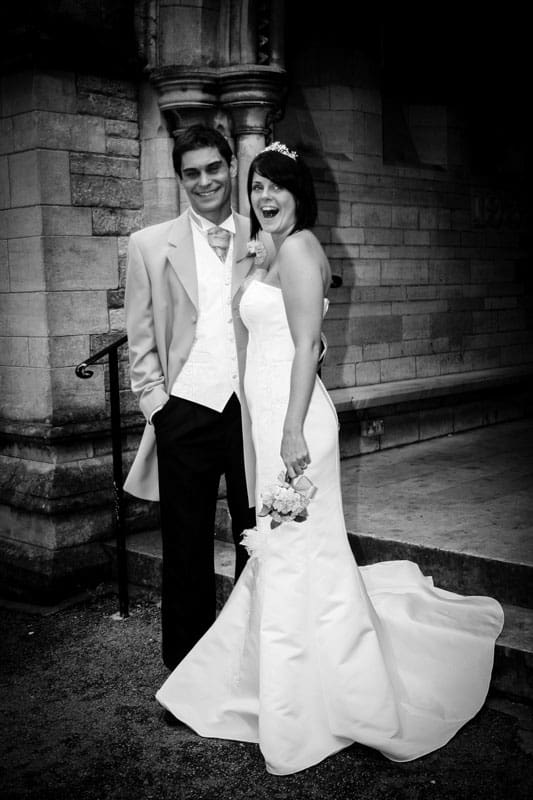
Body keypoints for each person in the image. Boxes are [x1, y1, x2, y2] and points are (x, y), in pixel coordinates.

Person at [156, 142, 504, 774]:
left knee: (293, 549)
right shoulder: (274, 250)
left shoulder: (298, 248)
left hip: (294, 423)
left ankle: (303, 699)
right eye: (256, 186)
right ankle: (286, 680)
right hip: (270, 417)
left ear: (299, 193)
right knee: (289, 549)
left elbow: (307, 347)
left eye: (276, 185)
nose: (264, 196)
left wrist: (290, 429)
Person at [123, 124, 274, 674]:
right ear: (180, 179)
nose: (205, 181)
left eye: (214, 168)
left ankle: (253, 661)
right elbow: (140, 338)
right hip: (183, 410)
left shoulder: (265, 235)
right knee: (185, 546)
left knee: (257, 535)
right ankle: (187, 671)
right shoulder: (147, 245)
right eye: (192, 173)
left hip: (252, 408)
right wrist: (157, 406)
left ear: (232, 166)